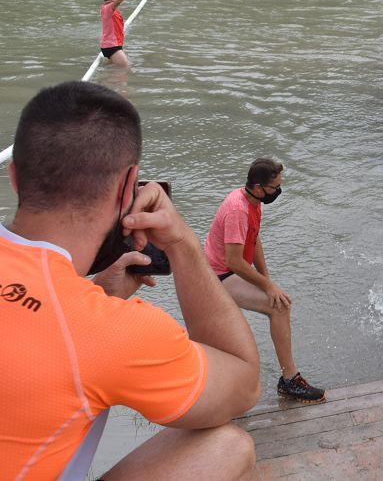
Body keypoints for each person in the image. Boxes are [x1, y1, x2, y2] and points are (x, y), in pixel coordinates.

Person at [1, 81, 260, 480]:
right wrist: (184, 244)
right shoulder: (108, 330)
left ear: (15, 175)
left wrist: (93, 294)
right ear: (129, 186)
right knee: (228, 447)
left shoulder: (89, 314)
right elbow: (242, 385)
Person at [204, 159, 326, 403]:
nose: (277, 192)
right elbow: (234, 261)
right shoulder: (238, 209)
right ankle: (290, 381)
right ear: (258, 187)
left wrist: (266, 279)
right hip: (217, 276)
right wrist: (267, 287)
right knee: (279, 306)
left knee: (277, 302)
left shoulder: (253, 202)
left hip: (230, 270)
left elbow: (254, 240)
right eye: (275, 188)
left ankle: (286, 379)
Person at [100, 0, 138, 67]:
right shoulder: (108, 8)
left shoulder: (108, 6)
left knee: (113, 68)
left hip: (113, 44)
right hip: (112, 46)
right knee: (124, 67)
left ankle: (108, 79)